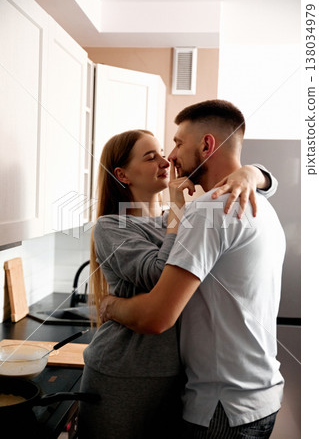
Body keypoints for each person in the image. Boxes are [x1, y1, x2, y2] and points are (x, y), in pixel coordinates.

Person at [100, 100, 285, 439]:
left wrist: (110, 305)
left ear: (206, 145)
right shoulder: (263, 207)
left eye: (177, 143)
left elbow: (157, 316)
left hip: (221, 405)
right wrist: (253, 173)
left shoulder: (207, 211)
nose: (170, 156)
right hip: (258, 394)